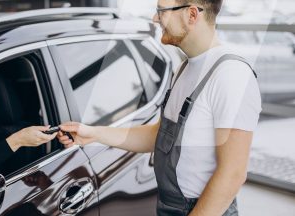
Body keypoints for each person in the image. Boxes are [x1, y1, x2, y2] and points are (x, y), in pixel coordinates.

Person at [57, 0, 262, 215]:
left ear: (192, 15)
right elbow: (160, 135)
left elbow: (233, 174)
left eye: (161, 11)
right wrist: (93, 134)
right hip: (169, 206)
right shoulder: (185, 68)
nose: (155, 19)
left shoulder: (231, 75)